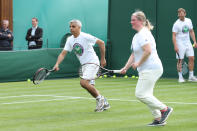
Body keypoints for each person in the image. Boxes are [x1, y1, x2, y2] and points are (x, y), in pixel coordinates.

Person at [120, 11, 173, 126]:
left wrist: (138, 63)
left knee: (140, 94)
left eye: (133, 20)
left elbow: (148, 51)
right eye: (131, 19)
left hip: (151, 68)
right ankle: (158, 119)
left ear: (141, 21)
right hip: (149, 69)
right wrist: (125, 67)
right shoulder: (136, 36)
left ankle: (165, 109)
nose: (131, 22)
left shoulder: (143, 34)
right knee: (147, 94)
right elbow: (134, 54)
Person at [53, 19, 110, 112]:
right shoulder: (70, 40)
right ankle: (104, 102)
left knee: (83, 83)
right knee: (89, 87)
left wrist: (103, 58)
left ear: (79, 27)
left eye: (73, 26)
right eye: (70, 27)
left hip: (92, 62)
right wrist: (57, 64)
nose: (71, 28)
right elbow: (63, 53)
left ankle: (101, 100)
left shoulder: (85, 36)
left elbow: (101, 43)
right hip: (84, 65)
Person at [172, 8, 197, 83]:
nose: (180, 14)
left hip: (188, 43)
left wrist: (195, 41)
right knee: (180, 60)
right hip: (180, 43)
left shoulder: (189, 21)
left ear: (185, 14)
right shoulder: (176, 24)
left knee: (192, 58)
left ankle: (191, 76)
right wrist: (175, 45)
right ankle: (180, 77)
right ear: (178, 14)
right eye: (179, 13)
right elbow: (173, 35)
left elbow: (191, 31)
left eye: (181, 13)